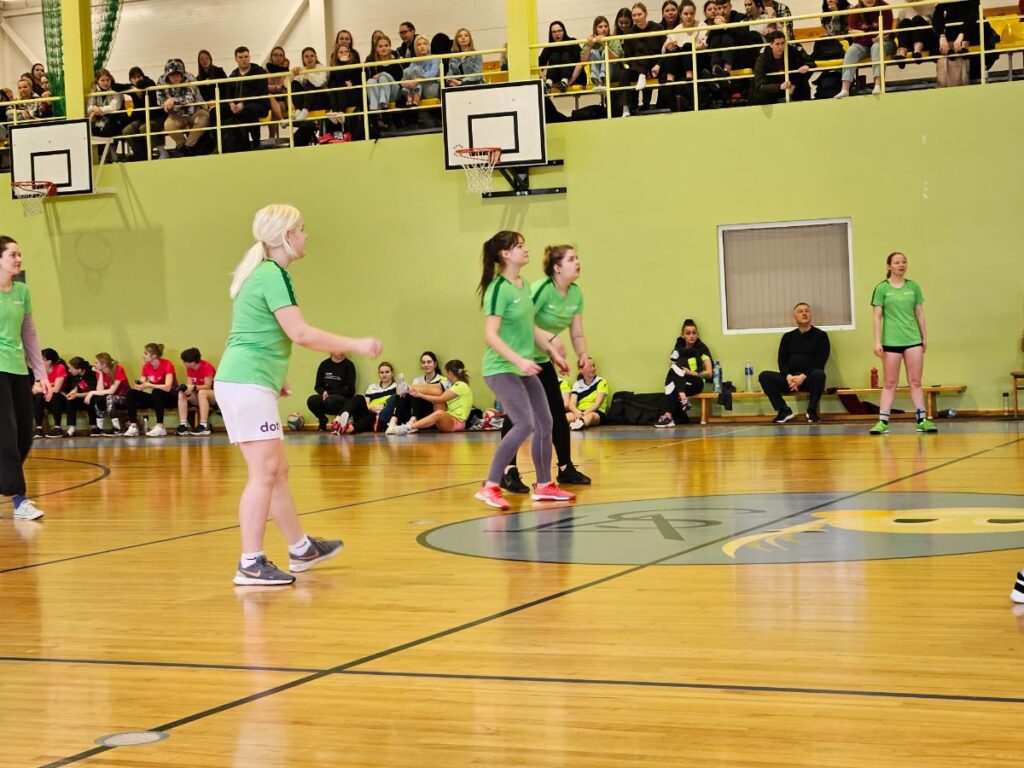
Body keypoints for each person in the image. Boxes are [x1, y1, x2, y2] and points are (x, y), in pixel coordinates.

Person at [214, 204, 382, 586]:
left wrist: (277, 377)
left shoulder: (268, 273)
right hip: (244, 383)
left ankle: (301, 548)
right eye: (302, 229)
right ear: (286, 236)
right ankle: (250, 563)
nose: (307, 235)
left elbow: (258, 332)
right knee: (264, 473)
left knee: (278, 471)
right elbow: (301, 334)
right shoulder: (270, 274)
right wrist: (355, 344)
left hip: (250, 381)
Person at [475, 231, 576, 511]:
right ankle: (490, 485)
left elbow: (529, 328)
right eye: (519, 246)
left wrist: (553, 352)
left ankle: (544, 485)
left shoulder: (523, 285)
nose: (526, 249)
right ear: (505, 254)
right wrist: (518, 361)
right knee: (524, 423)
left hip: (523, 366)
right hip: (500, 368)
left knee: (546, 421)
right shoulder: (498, 289)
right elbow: (490, 335)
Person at [499, 244, 593, 492]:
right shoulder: (542, 289)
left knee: (556, 414)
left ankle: (565, 468)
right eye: (571, 259)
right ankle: (507, 470)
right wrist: (551, 341)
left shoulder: (576, 293)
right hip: (519, 355)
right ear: (557, 267)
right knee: (519, 414)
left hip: (540, 357)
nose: (577, 262)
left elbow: (577, 332)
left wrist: (582, 354)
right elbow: (522, 320)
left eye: (577, 257)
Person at [0, 235, 48, 520]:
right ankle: (20, 500)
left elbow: (29, 334)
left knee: (24, 434)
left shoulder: (22, 291)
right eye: (12, 254)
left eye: (19, 254)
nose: (18, 259)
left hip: (18, 368)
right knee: (5, 434)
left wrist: (41, 374)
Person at [870, 252, 935, 434]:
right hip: (891, 342)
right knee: (890, 382)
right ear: (889, 266)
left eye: (904, 262)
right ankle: (883, 422)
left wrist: (924, 337)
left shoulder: (913, 287)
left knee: (915, 381)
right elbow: (877, 317)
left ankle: (922, 420)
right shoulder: (881, 288)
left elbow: (919, 312)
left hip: (913, 340)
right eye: (897, 262)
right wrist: (877, 342)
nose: (901, 265)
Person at [758, 302, 831, 423]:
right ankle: (784, 411)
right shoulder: (787, 337)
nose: (804, 313)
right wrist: (788, 376)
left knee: (819, 374)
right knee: (764, 376)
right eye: (800, 311)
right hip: (790, 381)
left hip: (809, 379)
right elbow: (781, 361)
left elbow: (820, 360)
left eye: (807, 311)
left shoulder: (821, 336)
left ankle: (812, 411)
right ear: (795, 317)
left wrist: (803, 376)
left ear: (811, 315)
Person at [655, 319, 713, 428]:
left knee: (672, 380)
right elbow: (672, 369)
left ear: (697, 334)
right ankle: (670, 414)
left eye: (694, 333)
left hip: (696, 383)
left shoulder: (702, 349)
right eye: (688, 333)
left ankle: (669, 414)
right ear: (683, 335)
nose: (691, 336)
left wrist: (692, 373)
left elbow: (709, 373)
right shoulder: (678, 349)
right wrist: (680, 373)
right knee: (672, 374)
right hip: (682, 383)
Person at [393, 360, 474, 434]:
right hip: (447, 419)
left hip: (456, 422)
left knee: (439, 411)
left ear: (450, 373)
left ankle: (408, 427)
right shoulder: (450, 383)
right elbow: (431, 387)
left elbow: (440, 399)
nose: (446, 375)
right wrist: (410, 389)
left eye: (447, 372)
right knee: (437, 390)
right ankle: (407, 388)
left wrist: (420, 395)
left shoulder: (461, 386)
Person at [834, 0, 894, 98]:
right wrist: (872, 38)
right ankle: (845, 89)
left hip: (885, 43)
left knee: (876, 47)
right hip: (864, 44)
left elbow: (885, 34)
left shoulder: (884, 7)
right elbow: (855, 38)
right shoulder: (855, 11)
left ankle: (878, 85)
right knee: (851, 50)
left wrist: (863, 34)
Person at [155, 59, 210, 157]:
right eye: (172, 75)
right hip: (177, 114)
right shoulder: (161, 81)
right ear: (167, 75)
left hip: (196, 110)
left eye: (178, 74)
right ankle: (181, 145)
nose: (175, 78)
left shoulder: (190, 77)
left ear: (182, 73)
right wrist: (165, 103)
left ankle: (187, 147)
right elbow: (159, 100)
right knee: (168, 125)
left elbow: (191, 98)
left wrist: (174, 100)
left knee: (204, 119)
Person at [221, 46, 269, 152]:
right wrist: (231, 104)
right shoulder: (233, 75)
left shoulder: (260, 72)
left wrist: (243, 103)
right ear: (236, 59)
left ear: (249, 57)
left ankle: (256, 142)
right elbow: (228, 95)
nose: (244, 59)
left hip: (259, 104)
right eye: (241, 57)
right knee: (216, 111)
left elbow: (259, 93)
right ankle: (219, 144)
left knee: (248, 109)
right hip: (237, 106)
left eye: (246, 56)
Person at [125, 343, 177, 437]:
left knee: (156, 392)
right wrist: (139, 385)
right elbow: (142, 383)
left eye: (145, 353)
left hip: (170, 398)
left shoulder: (167, 364)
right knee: (131, 393)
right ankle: (133, 426)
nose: (143, 355)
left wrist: (148, 385)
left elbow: (168, 387)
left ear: (154, 356)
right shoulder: (146, 366)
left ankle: (160, 426)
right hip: (156, 398)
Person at [385, 351, 445, 433]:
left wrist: (420, 393)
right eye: (423, 362)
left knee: (414, 391)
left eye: (429, 362)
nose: (426, 365)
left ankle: (413, 420)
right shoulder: (417, 380)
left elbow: (441, 398)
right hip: (416, 410)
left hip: (431, 411)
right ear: (421, 365)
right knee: (403, 393)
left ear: (435, 364)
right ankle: (393, 421)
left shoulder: (442, 380)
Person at [749, 30, 815, 105]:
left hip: (793, 88)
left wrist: (807, 66)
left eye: (783, 43)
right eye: (777, 44)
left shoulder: (793, 51)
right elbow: (760, 85)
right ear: (771, 45)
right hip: (772, 93)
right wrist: (779, 87)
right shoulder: (763, 59)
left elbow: (811, 61)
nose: (780, 47)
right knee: (761, 95)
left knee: (804, 86)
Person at [332, 362, 399, 434]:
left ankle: (348, 428)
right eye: (382, 372)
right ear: (379, 374)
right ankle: (338, 420)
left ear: (392, 373)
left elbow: (398, 405)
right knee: (359, 397)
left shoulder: (397, 387)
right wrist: (372, 408)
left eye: (387, 372)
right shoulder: (372, 387)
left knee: (373, 417)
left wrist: (384, 408)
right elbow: (366, 404)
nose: (384, 375)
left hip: (382, 417)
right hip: (369, 413)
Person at [306, 353, 356, 431]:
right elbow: (318, 386)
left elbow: (350, 390)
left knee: (331, 400)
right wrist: (323, 392)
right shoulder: (324, 364)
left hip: (343, 399)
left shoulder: (349, 365)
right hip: (326, 397)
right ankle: (322, 420)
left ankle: (339, 421)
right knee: (312, 400)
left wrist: (329, 393)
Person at [85, 352, 129, 436]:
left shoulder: (118, 369)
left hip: (125, 398)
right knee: (98, 399)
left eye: (96, 363)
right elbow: (100, 391)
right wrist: (100, 374)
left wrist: (91, 392)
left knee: (109, 397)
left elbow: (112, 391)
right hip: (111, 398)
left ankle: (117, 429)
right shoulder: (100, 372)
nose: (94, 365)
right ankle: (99, 428)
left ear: (104, 364)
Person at [176, 347, 217, 436]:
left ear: (191, 362)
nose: (183, 363)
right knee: (181, 393)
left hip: (213, 396)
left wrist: (194, 387)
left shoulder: (206, 366)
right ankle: (183, 425)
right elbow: (189, 386)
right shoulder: (189, 369)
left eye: (184, 361)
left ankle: (204, 425)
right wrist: (185, 389)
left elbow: (208, 386)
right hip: (200, 398)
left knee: (202, 392)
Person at [567, 357, 610, 430]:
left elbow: (597, 404)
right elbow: (571, 404)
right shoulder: (577, 384)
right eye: (589, 367)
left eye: (593, 366)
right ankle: (572, 425)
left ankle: (579, 424)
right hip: (580, 411)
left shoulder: (601, 381)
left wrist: (584, 413)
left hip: (596, 412)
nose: (593, 368)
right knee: (566, 416)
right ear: (581, 370)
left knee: (590, 417)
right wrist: (577, 412)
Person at [539, 21, 583, 92]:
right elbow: (538, 65)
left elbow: (581, 63)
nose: (557, 34)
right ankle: (548, 83)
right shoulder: (549, 47)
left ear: (564, 31)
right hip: (556, 81)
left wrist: (568, 82)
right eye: (554, 32)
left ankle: (564, 82)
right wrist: (545, 79)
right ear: (551, 34)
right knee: (555, 55)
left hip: (574, 78)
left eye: (559, 31)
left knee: (565, 55)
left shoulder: (572, 42)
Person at [32, 347, 66, 438]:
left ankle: (58, 428)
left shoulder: (60, 368)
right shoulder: (39, 370)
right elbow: (34, 389)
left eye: (42, 359)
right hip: (45, 399)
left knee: (53, 395)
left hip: (60, 398)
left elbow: (57, 389)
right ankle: (39, 428)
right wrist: (43, 389)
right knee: (39, 396)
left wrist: (40, 389)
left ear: (49, 361)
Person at [63, 356, 99, 436]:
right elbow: (76, 385)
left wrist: (77, 395)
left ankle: (94, 427)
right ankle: (71, 429)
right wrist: (73, 392)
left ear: (79, 370)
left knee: (90, 399)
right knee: (70, 400)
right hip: (80, 397)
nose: (69, 370)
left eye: (71, 369)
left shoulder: (91, 373)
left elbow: (94, 391)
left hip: (93, 397)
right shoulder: (74, 374)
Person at [86, 69, 125, 139]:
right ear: (97, 81)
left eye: (108, 80)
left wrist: (97, 110)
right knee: (92, 128)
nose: (106, 83)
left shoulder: (116, 88)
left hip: (116, 119)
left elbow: (114, 107)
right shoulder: (94, 90)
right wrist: (94, 108)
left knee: (106, 130)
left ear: (111, 79)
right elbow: (89, 108)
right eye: (102, 80)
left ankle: (110, 146)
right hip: (101, 120)